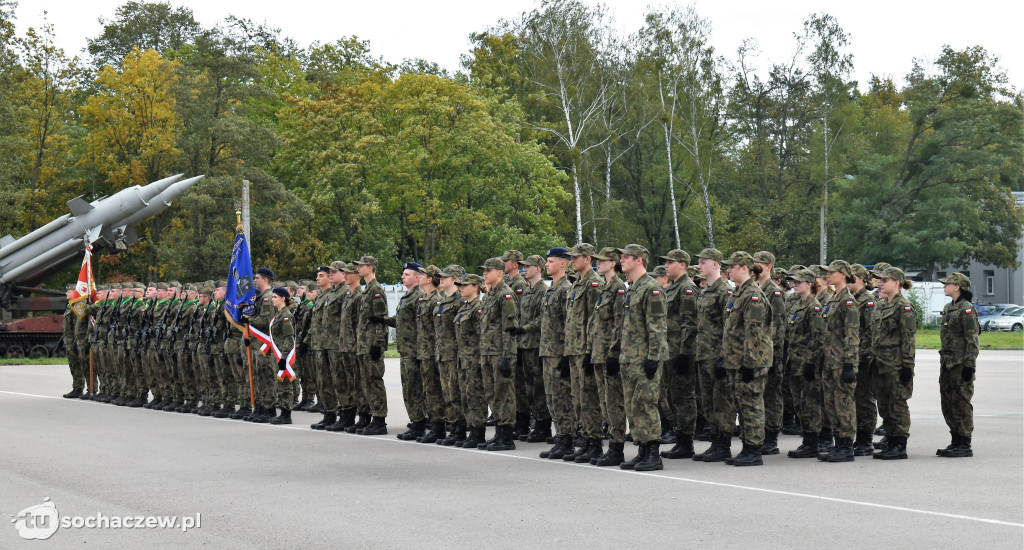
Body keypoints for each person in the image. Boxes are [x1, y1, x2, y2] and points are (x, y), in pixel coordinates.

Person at [616, 244, 668, 471]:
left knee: (646, 403)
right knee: (633, 405)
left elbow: (657, 326)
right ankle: (642, 449)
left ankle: (653, 453)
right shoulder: (633, 288)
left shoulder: (651, 288)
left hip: (645, 357)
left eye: (626, 257)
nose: (622, 261)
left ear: (639, 260)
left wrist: (654, 357)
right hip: (629, 357)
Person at [720, 251, 773, 466]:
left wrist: (750, 362)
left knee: (751, 404)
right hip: (737, 359)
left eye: (732, 267)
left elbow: (755, 332)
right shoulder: (738, 293)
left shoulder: (753, 295)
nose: (728, 271)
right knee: (742, 404)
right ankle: (747, 446)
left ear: (744, 268)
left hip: (751, 361)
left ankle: (754, 449)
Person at [871, 266, 917, 460]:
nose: (881, 283)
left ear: (896, 282)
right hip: (881, 362)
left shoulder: (903, 307)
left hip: (896, 364)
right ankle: (890, 438)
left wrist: (907, 366)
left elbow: (908, 339)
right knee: (884, 403)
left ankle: (900, 443)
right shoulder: (882, 305)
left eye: (885, 280)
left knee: (897, 404)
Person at [692, 248, 734, 462]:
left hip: (717, 356)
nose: (699, 266)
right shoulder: (705, 291)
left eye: (703, 262)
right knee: (707, 400)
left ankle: (723, 443)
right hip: (703, 354)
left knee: (721, 400)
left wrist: (724, 356)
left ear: (716, 264)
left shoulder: (724, 292)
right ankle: (715, 440)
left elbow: (729, 328)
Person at [564, 243, 603, 462]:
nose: (572, 260)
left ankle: (595, 442)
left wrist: (590, 351)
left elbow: (594, 320)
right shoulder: (577, 284)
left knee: (589, 398)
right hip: (574, 350)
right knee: (579, 399)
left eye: (576, 257)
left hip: (585, 350)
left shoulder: (593, 284)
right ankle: (587, 439)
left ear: (588, 259)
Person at [377, 263, 425, 439]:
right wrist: (383, 320)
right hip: (405, 350)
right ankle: (416, 420)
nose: (403, 277)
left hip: (414, 350)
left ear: (417, 277)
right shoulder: (407, 296)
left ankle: (419, 422)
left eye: (407, 274)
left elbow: (421, 325)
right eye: (403, 274)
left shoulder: (419, 296)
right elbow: (401, 320)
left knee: (414, 388)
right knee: (408, 387)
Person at [818, 260, 860, 462]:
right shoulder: (833, 299)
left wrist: (849, 363)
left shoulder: (848, 302)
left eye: (832, 272)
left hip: (842, 362)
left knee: (844, 403)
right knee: (831, 403)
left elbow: (851, 335)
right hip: (830, 361)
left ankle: (846, 446)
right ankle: (838, 442)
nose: (828, 275)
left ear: (843, 274)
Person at [659, 249, 699, 460]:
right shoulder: (673, 287)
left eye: (670, 262)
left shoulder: (687, 288)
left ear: (683, 264)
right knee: (674, 396)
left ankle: (686, 442)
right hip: (670, 350)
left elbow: (690, 322)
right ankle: (679, 437)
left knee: (683, 397)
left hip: (681, 352)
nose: (666, 265)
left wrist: (685, 352)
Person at [589, 247, 627, 466]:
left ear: (613, 263)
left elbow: (620, 323)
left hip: (609, 355)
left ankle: (617, 447)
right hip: (599, 353)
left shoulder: (618, 289)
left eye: (602, 261)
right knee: (605, 402)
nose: (598, 264)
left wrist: (614, 352)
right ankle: (611, 444)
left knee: (614, 403)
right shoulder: (604, 288)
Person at [477, 257, 519, 451]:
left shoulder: (506, 295)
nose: (485, 274)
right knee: (492, 393)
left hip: (500, 353)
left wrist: (507, 356)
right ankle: (499, 432)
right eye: (484, 271)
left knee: (504, 394)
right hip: (487, 352)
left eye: (489, 270)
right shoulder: (488, 296)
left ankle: (506, 435)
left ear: (500, 273)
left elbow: (510, 328)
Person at [506, 255, 549, 442]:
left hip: (536, 344)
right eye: (524, 267)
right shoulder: (528, 290)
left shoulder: (542, 291)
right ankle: (529, 422)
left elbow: (541, 318)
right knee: (527, 388)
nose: (525, 269)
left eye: (529, 267)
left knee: (539, 388)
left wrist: (524, 328)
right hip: (524, 344)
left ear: (538, 269)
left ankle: (542, 426)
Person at [936, 272, 979, 458]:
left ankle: (964, 442)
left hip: (961, 364)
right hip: (947, 363)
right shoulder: (949, 308)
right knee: (948, 402)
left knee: (961, 402)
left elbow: (972, 339)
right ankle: (955, 440)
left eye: (948, 284)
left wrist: (969, 364)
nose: (945, 286)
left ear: (957, 287)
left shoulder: (966, 309)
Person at [784, 270, 826, 458]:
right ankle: (807, 439)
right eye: (793, 282)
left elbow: (818, 337)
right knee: (799, 403)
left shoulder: (813, 307)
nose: (795, 285)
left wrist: (811, 362)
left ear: (809, 284)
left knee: (810, 403)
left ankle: (813, 442)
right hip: (794, 362)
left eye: (799, 282)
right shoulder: (797, 305)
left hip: (807, 363)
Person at [538, 247, 574, 459]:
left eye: (551, 261)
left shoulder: (565, 289)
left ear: (563, 263)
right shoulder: (551, 289)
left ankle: (567, 440)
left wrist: (565, 353)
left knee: (562, 398)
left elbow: (568, 324)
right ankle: (561, 437)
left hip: (559, 352)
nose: (547, 265)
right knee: (552, 398)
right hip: (548, 351)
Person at [753, 251, 786, 456]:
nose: (756, 266)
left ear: (769, 267)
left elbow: (778, 326)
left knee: (772, 394)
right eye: (754, 262)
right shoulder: (755, 288)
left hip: (772, 352)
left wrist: (772, 355)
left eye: (760, 263)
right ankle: (762, 433)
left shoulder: (773, 292)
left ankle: (772, 437)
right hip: (758, 352)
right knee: (760, 395)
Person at [354, 256, 390, 435]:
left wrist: (378, 343)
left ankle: (379, 420)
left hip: (371, 344)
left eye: (360, 266)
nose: (358, 269)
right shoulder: (366, 290)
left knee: (374, 381)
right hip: (363, 344)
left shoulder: (376, 290)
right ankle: (370, 416)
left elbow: (380, 319)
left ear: (370, 267)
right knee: (366, 382)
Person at [453, 273, 488, 448]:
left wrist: (481, 361)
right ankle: (471, 428)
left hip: (474, 359)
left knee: (476, 396)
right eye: (460, 285)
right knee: (466, 395)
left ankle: (478, 431)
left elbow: (482, 336)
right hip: (463, 359)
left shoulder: (478, 308)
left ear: (475, 287)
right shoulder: (464, 307)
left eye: (465, 285)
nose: (461, 288)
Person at [435, 265, 467, 446]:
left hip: (455, 354)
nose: (441, 278)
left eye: (445, 276)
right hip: (442, 353)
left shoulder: (460, 301)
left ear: (455, 279)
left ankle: (460, 429)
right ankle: (453, 426)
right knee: (447, 393)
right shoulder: (443, 301)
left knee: (456, 393)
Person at [850, 264, 879, 456]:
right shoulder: (853, 299)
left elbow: (871, 331)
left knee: (865, 399)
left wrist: (866, 357)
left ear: (860, 278)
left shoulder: (867, 301)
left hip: (864, 357)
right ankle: (859, 437)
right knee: (856, 399)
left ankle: (865, 439)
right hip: (855, 356)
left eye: (851, 277)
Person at [415, 265, 446, 443]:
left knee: (435, 392)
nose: (419, 277)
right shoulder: (423, 299)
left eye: (423, 275)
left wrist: (436, 353)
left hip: (432, 352)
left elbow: (438, 331)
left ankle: (439, 427)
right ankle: (434, 424)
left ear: (429, 279)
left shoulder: (436, 300)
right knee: (428, 391)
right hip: (423, 352)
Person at [267, 286, 297, 425]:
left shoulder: (286, 316)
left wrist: (284, 357)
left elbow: (289, 338)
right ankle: (283, 412)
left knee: (285, 385)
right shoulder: (278, 315)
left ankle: (286, 414)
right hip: (277, 355)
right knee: (280, 384)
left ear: (283, 298)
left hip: (283, 355)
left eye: (275, 297)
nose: (272, 300)